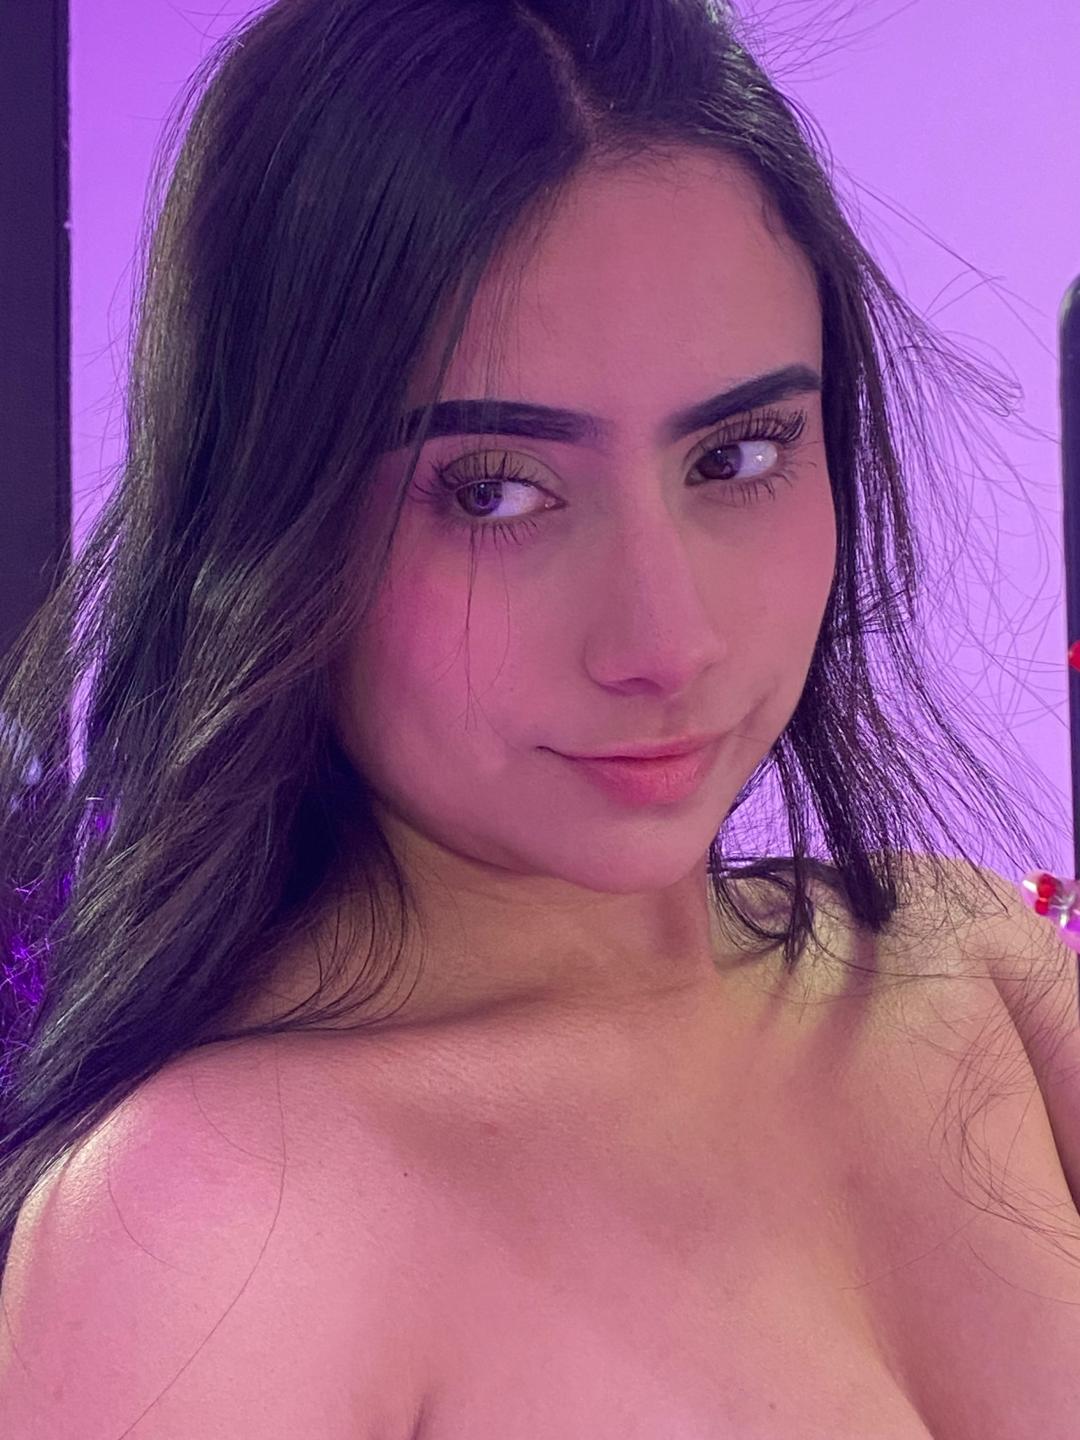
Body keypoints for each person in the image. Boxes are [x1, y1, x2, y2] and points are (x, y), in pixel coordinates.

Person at [0, 1, 1077, 1435]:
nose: (665, 640)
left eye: (737, 454)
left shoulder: (975, 968)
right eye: (495, 490)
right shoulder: (210, 1221)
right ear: (269, 517)